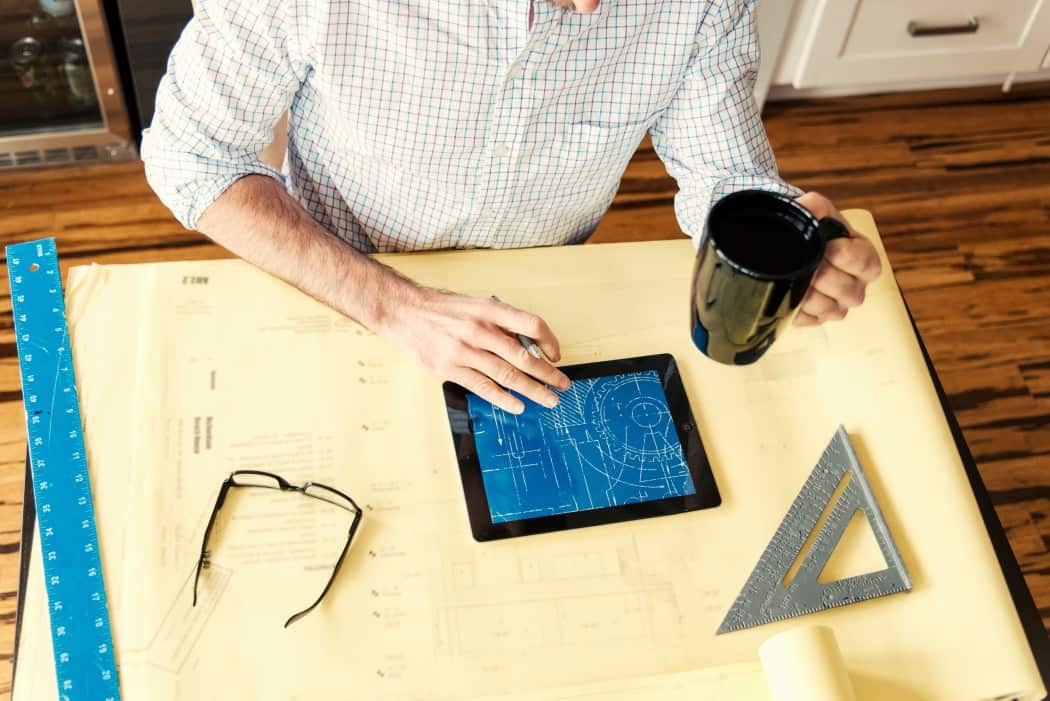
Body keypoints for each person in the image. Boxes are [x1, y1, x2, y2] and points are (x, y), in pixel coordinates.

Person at [142, 0, 882, 415]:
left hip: (538, 318)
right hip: (340, 283)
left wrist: (790, 238)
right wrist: (397, 305)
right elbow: (190, 155)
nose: (591, 6)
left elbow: (725, 174)